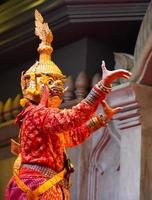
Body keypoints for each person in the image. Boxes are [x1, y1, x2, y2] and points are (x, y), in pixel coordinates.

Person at [5, 10, 131, 200]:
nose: (59, 88)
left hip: (49, 185)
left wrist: (100, 120)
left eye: (59, 83)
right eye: (53, 83)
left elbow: (70, 136)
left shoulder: (43, 116)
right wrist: (101, 86)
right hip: (38, 188)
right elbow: (71, 118)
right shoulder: (36, 114)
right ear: (38, 86)